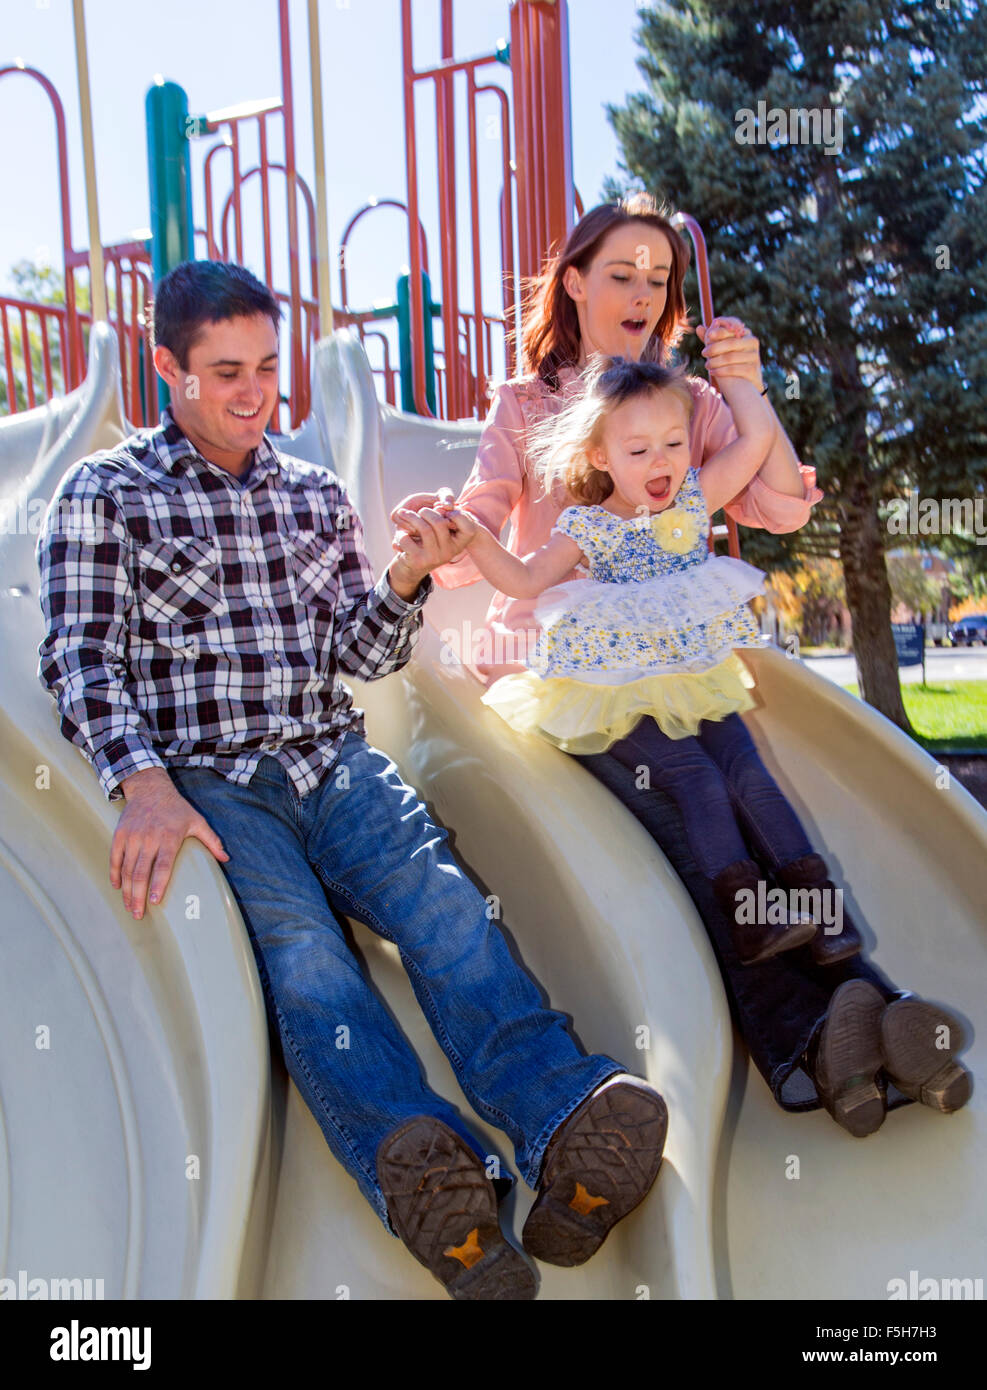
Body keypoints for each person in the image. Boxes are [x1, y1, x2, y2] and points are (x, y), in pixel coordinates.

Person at [34, 259, 669, 1301]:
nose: (253, 392)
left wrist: (406, 578)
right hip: (215, 783)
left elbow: (361, 655)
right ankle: (431, 1177)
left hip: (332, 760)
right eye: (225, 371)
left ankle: (565, 1118)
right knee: (307, 963)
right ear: (167, 369)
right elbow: (80, 657)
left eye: (267, 367)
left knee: (448, 911)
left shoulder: (312, 492)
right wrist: (142, 782)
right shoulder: (108, 495)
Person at [395, 195, 973, 1137]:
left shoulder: (684, 403)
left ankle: (849, 1024)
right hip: (576, 680)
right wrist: (443, 531)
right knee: (682, 814)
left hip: (674, 657)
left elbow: (780, 502)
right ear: (574, 281)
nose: (640, 292)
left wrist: (747, 386)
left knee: (743, 792)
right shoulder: (528, 406)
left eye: (657, 278)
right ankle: (838, 1024)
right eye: (619, 272)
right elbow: (489, 519)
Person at [402, 354, 862, 970]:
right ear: (601, 456)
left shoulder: (694, 497)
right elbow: (522, 578)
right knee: (695, 779)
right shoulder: (587, 527)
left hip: (690, 675)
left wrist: (742, 383)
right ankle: (748, 914)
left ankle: (822, 912)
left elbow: (754, 440)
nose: (662, 461)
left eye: (674, 442)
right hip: (618, 690)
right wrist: (474, 537)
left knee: (746, 770)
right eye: (638, 449)